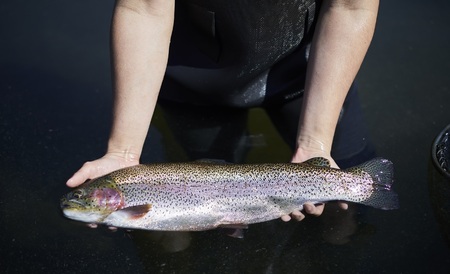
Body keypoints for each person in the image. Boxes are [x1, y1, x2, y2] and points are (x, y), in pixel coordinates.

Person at [66, 0, 379, 221]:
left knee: (354, 183)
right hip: (193, 82)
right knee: (207, 194)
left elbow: (351, 8)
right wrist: (122, 152)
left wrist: (315, 143)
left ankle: (341, 238)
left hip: (311, 72)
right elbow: (144, 8)